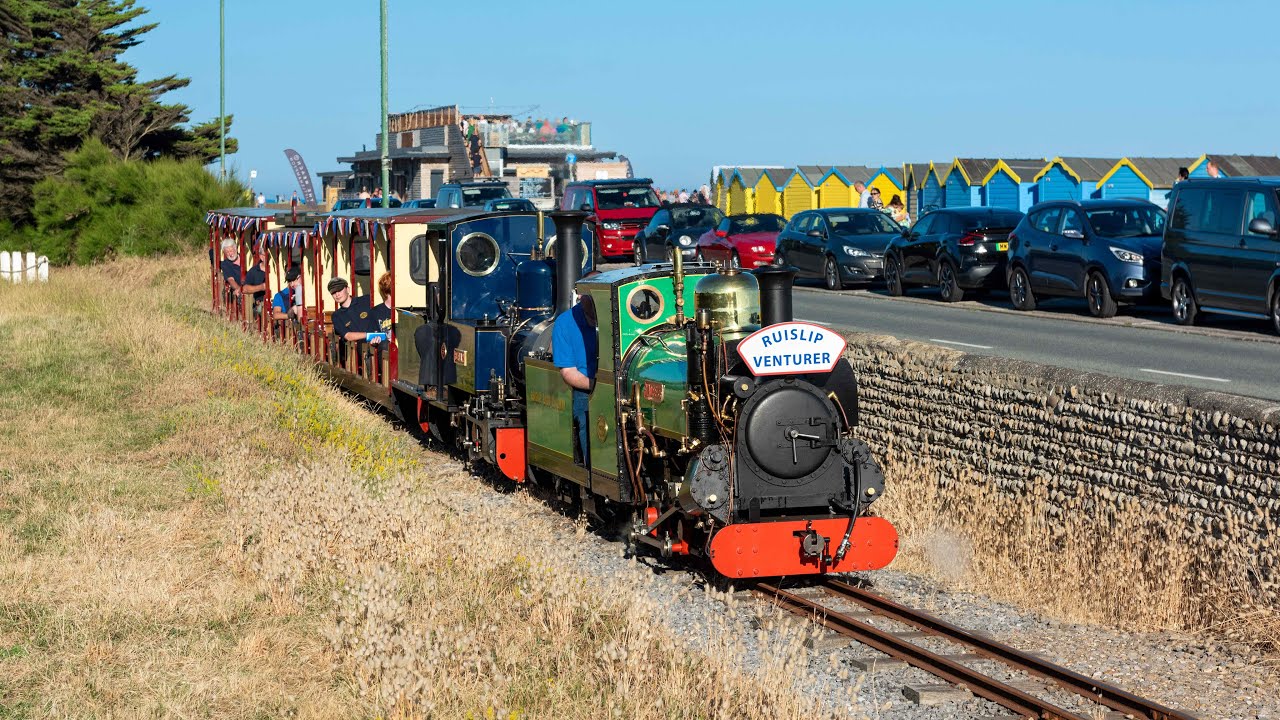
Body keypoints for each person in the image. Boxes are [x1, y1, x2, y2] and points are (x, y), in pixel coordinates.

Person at [552, 287, 598, 467]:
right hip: (586, 386)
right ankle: (591, 468)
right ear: (579, 295)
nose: (594, 300)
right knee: (587, 419)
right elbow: (568, 372)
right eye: (590, 295)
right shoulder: (565, 323)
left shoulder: (626, 312)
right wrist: (597, 386)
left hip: (623, 383)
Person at [241, 245, 270, 318]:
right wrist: (261, 287)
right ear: (261, 257)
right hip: (261, 304)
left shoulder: (277, 270)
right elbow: (245, 289)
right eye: (268, 256)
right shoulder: (254, 271)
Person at [366, 271, 394, 346]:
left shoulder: (405, 311)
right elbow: (371, 338)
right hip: (385, 349)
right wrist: (374, 342)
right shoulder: (375, 312)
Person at [219, 239, 242, 303]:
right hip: (240, 290)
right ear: (224, 253)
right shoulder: (225, 264)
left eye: (231, 250)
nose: (230, 254)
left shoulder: (244, 258)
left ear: (236, 249)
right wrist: (239, 290)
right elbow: (231, 280)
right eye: (227, 252)